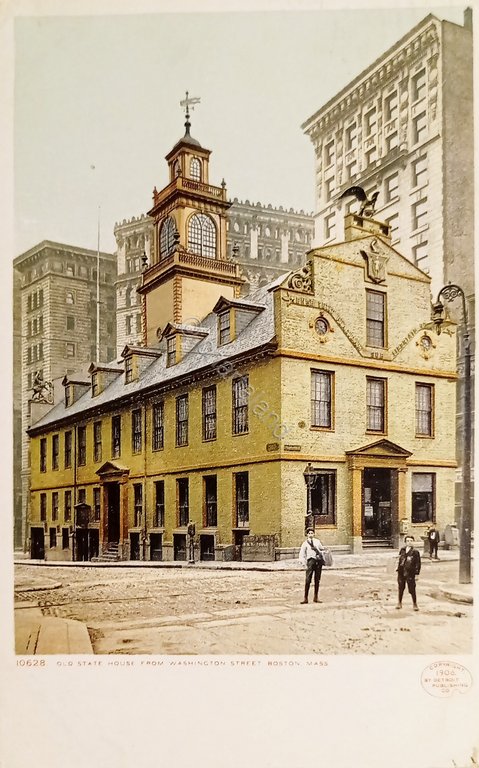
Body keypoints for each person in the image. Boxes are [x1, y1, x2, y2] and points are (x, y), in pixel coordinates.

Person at [299, 528, 325, 604]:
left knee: (317, 579)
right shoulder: (305, 544)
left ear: (314, 534)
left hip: (318, 562)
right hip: (310, 561)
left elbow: (322, 549)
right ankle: (305, 598)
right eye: (309, 533)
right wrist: (303, 563)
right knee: (308, 580)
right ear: (307, 534)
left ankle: (316, 597)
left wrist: (320, 553)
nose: (310, 535)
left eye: (312, 533)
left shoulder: (317, 541)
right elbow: (302, 554)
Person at [396, 535, 421, 611]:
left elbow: (418, 563)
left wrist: (417, 574)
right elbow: (400, 559)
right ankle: (399, 602)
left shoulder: (415, 552)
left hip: (410, 572)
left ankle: (415, 603)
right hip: (401, 571)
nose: (409, 542)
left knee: (412, 589)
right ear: (405, 542)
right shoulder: (402, 550)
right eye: (407, 541)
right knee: (401, 588)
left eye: (411, 541)